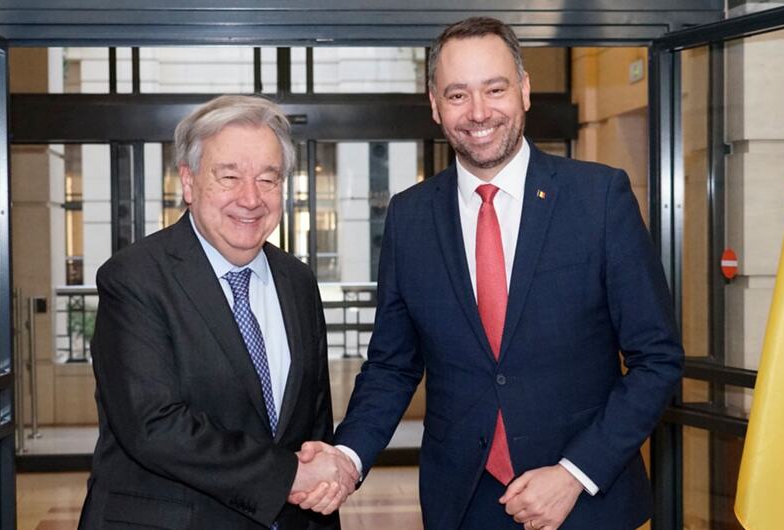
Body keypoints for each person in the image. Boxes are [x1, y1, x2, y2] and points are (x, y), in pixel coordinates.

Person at [301, 17, 684, 530]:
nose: (478, 112)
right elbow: (392, 366)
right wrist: (347, 457)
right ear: (434, 104)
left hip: (586, 502)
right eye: (457, 95)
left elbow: (656, 360)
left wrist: (573, 473)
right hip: (462, 503)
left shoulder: (598, 199)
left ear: (524, 91)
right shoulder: (410, 216)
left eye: (495, 89)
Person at [79, 95, 357, 530]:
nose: (251, 198)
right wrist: (290, 476)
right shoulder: (134, 278)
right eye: (229, 176)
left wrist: (324, 482)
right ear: (188, 182)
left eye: (268, 179)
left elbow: (313, 421)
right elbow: (154, 425)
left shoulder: (297, 281)